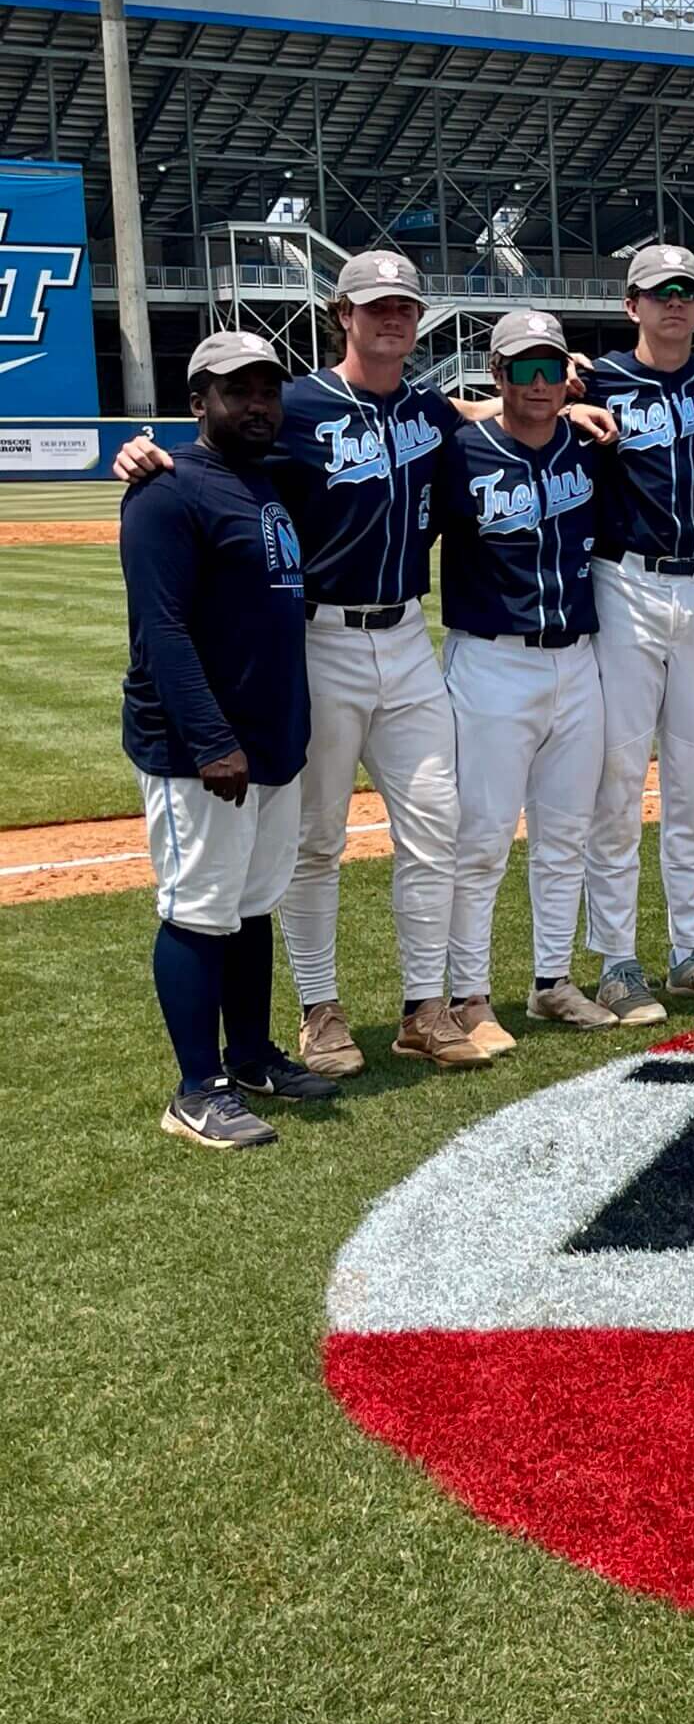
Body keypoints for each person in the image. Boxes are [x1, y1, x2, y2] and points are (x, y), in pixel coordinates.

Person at [111, 250, 488, 1073]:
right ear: (342, 316)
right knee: (314, 840)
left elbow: (465, 412)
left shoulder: (427, 410)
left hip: (406, 637)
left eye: (405, 307)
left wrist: (560, 399)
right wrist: (141, 452)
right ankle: (321, 1012)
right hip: (318, 638)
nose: (392, 318)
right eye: (374, 305)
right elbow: (213, 445)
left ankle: (426, 1007)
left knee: (436, 824)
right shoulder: (294, 406)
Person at [122, 332, 335, 1146]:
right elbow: (162, 631)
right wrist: (211, 741)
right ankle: (195, 1088)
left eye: (266, 391)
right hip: (199, 752)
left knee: (251, 906)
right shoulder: (166, 493)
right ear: (197, 402)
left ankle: (249, 1056)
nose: (256, 405)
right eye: (235, 391)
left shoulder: (270, 477)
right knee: (198, 911)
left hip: (272, 736)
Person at [579, 244, 694, 1019]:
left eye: (687, 291)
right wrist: (557, 403)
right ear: (632, 306)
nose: (676, 304)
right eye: (660, 293)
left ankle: (693, 950)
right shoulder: (597, 378)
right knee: (620, 778)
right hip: (623, 580)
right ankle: (618, 961)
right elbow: (513, 416)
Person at [437, 311, 619, 1038]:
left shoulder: (587, 445)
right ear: (497, 373)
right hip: (491, 660)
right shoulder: (458, 454)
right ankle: (468, 996)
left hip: (577, 659)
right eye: (524, 368)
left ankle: (552, 980)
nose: (540, 383)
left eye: (552, 368)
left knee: (565, 833)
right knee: (481, 838)